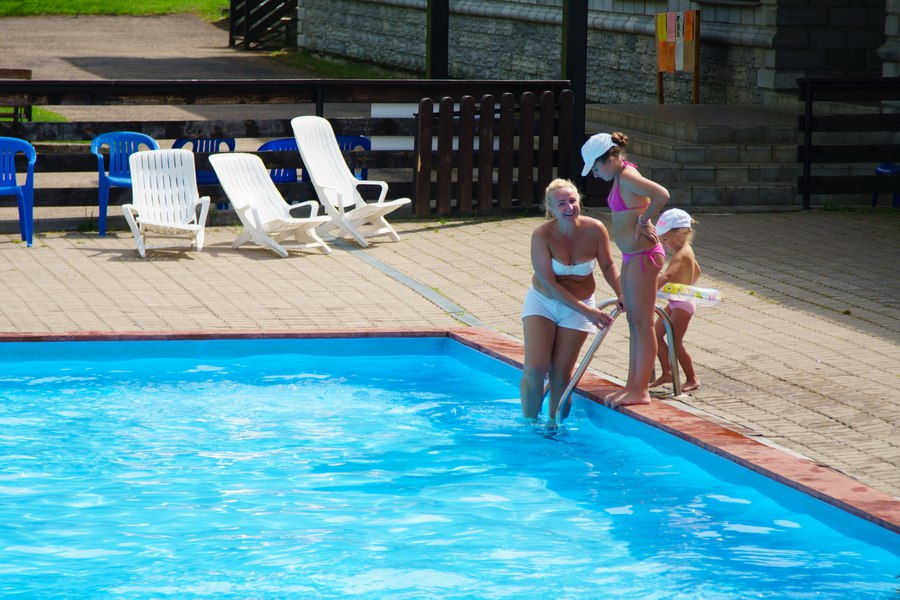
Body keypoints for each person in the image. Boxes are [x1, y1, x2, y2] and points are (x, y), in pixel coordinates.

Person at [519, 178, 623, 421]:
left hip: (579, 306)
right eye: (562, 203)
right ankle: (529, 425)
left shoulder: (595, 229)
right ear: (551, 209)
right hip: (543, 302)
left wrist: (621, 292)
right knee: (535, 369)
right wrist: (589, 313)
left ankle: (555, 427)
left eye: (573, 201)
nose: (569, 207)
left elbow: (608, 265)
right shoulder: (542, 235)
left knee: (561, 375)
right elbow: (549, 284)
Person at [581, 132, 670, 407]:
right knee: (634, 321)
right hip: (633, 256)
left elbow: (662, 194)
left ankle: (641, 390)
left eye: (596, 168)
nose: (595, 174)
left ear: (610, 159)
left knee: (643, 323)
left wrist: (644, 220)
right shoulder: (621, 176)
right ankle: (633, 385)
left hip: (644, 257)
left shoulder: (628, 176)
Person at [651, 208, 702, 392]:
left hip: (682, 305)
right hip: (678, 300)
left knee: (675, 342)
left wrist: (647, 290)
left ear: (679, 234)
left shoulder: (681, 254)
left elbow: (667, 276)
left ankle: (692, 378)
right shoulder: (685, 251)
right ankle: (667, 372)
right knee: (656, 335)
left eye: (665, 239)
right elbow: (697, 270)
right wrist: (687, 285)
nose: (663, 244)